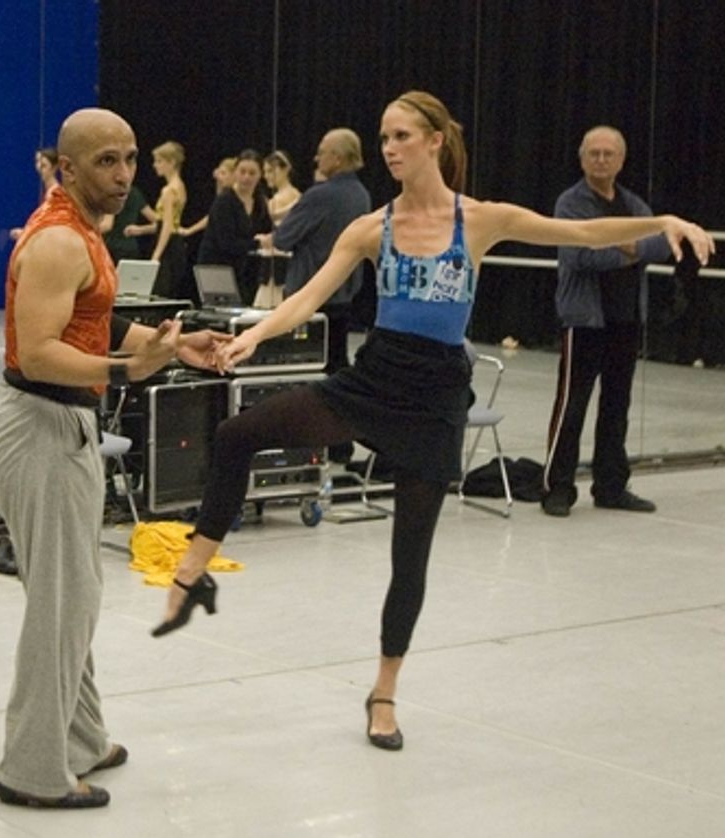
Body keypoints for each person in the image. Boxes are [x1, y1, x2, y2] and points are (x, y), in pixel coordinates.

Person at [151, 91, 713, 755]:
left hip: (438, 395)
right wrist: (253, 337)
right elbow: (306, 297)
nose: (389, 148)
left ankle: (383, 691)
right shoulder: (370, 227)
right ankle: (195, 567)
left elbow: (581, 234)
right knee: (236, 433)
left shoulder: (478, 220)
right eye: (383, 137)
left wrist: (664, 220)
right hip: (375, 377)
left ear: (434, 142)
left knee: (408, 559)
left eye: (401, 136)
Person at [0, 108, 223, 809]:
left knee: (75, 593)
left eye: (130, 159)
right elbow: (41, 346)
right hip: (37, 423)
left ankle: (79, 738)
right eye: (106, 162)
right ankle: (30, 769)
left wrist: (171, 344)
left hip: (57, 420)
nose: (123, 176)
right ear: (67, 168)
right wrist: (127, 364)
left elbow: (93, 318)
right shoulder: (58, 240)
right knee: (58, 602)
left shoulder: (84, 231)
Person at [541, 126, 669, 518]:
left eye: (607, 153)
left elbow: (661, 243)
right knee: (572, 405)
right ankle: (558, 488)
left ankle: (611, 485)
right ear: (582, 160)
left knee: (617, 405)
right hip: (584, 321)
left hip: (625, 319)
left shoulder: (633, 204)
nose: (600, 159)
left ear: (621, 160)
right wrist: (633, 250)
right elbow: (583, 256)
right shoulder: (571, 204)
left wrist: (624, 246)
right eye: (593, 153)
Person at [256, 128, 371, 464]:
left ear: (337, 157)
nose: (317, 158)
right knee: (337, 364)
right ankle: (341, 443)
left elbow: (285, 237)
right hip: (345, 294)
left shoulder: (321, 195)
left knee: (306, 372)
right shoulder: (361, 194)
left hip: (311, 296)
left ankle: (312, 443)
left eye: (322, 151)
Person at [197, 149, 271, 305]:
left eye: (252, 173)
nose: (246, 177)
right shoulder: (224, 201)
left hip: (245, 271)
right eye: (242, 172)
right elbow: (226, 243)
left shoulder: (260, 203)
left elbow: (266, 231)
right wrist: (258, 243)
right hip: (218, 269)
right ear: (235, 172)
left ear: (260, 175)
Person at [123, 141, 188, 299]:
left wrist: (156, 256)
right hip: (174, 242)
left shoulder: (169, 191)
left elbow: (166, 226)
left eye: (159, 161)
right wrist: (140, 230)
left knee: (162, 290)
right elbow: (166, 223)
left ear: (171, 162)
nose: (155, 165)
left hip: (168, 246)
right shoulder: (180, 187)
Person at [178, 155, 236, 239]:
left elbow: (212, 216)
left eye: (223, 173)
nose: (219, 178)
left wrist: (190, 230)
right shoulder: (225, 195)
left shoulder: (234, 196)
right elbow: (215, 211)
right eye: (219, 173)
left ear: (234, 175)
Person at [8, 148, 59, 241]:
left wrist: (26, 233)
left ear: (54, 168)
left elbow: (48, 223)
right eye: (37, 163)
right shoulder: (48, 192)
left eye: (43, 165)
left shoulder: (55, 193)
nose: (39, 169)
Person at [264, 150, 301, 224]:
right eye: (265, 172)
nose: (266, 176)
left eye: (270, 171)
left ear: (285, 169)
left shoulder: (276, 200)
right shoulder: (299, 194)